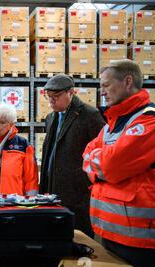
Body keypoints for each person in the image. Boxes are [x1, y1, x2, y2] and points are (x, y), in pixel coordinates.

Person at [83, 60, 155, 267]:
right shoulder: (112, 124)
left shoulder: (150, 121)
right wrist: (102, 161)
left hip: (142, 242)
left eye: (106, 85)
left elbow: (111, 166)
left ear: (128, 82)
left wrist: (100, 164)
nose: (102, 92)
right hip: (111, 232)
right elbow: (87, 155)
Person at [39, 74, 105, 238]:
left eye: (56, 96)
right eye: (49, 97)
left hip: (78, 193)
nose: (51, 101)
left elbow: (102, 151)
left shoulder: (90, 115)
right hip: (51, 190)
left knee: (79, 239)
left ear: (71, 93)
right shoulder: (51, 117)